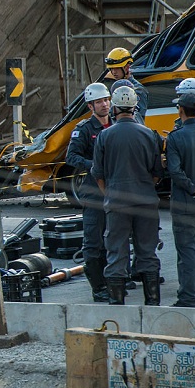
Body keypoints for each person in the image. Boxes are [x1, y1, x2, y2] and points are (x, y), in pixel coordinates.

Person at [92, 86, 163, 306]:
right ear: (135, 107)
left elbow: (99, 174)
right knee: (147, 251)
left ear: (114, 107)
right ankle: (152, 304)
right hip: (146, 200)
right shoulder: (149, 134)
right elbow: (157, 174)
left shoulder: (104, 136)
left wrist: (109, 195)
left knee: (116, 251)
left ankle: (117, 307)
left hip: (116, 202)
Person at [64, 83, 111, 302]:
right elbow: (71, 157)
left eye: (107, 100)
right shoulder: (84, 129)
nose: (105, 104)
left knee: (115, 240)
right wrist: (94, 166)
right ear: (91, 105)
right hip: (94, 195)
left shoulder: (117, 125)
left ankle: (116, 280)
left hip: (116, 194)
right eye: (100, 102)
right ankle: (98, 287)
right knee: (93, 242)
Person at [166, 94, 195, 308]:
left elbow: (174, 171)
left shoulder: (175, 137)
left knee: (187, 252)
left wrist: (194, 190)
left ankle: (188, 298)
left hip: (185, 204)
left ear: (180, 110)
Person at [105, 47, 149, 124]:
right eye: (111, 69)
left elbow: (137, 117)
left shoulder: (138, 90)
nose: (114, 72)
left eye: (117, 68)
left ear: (127, 67)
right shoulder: (114, 87)